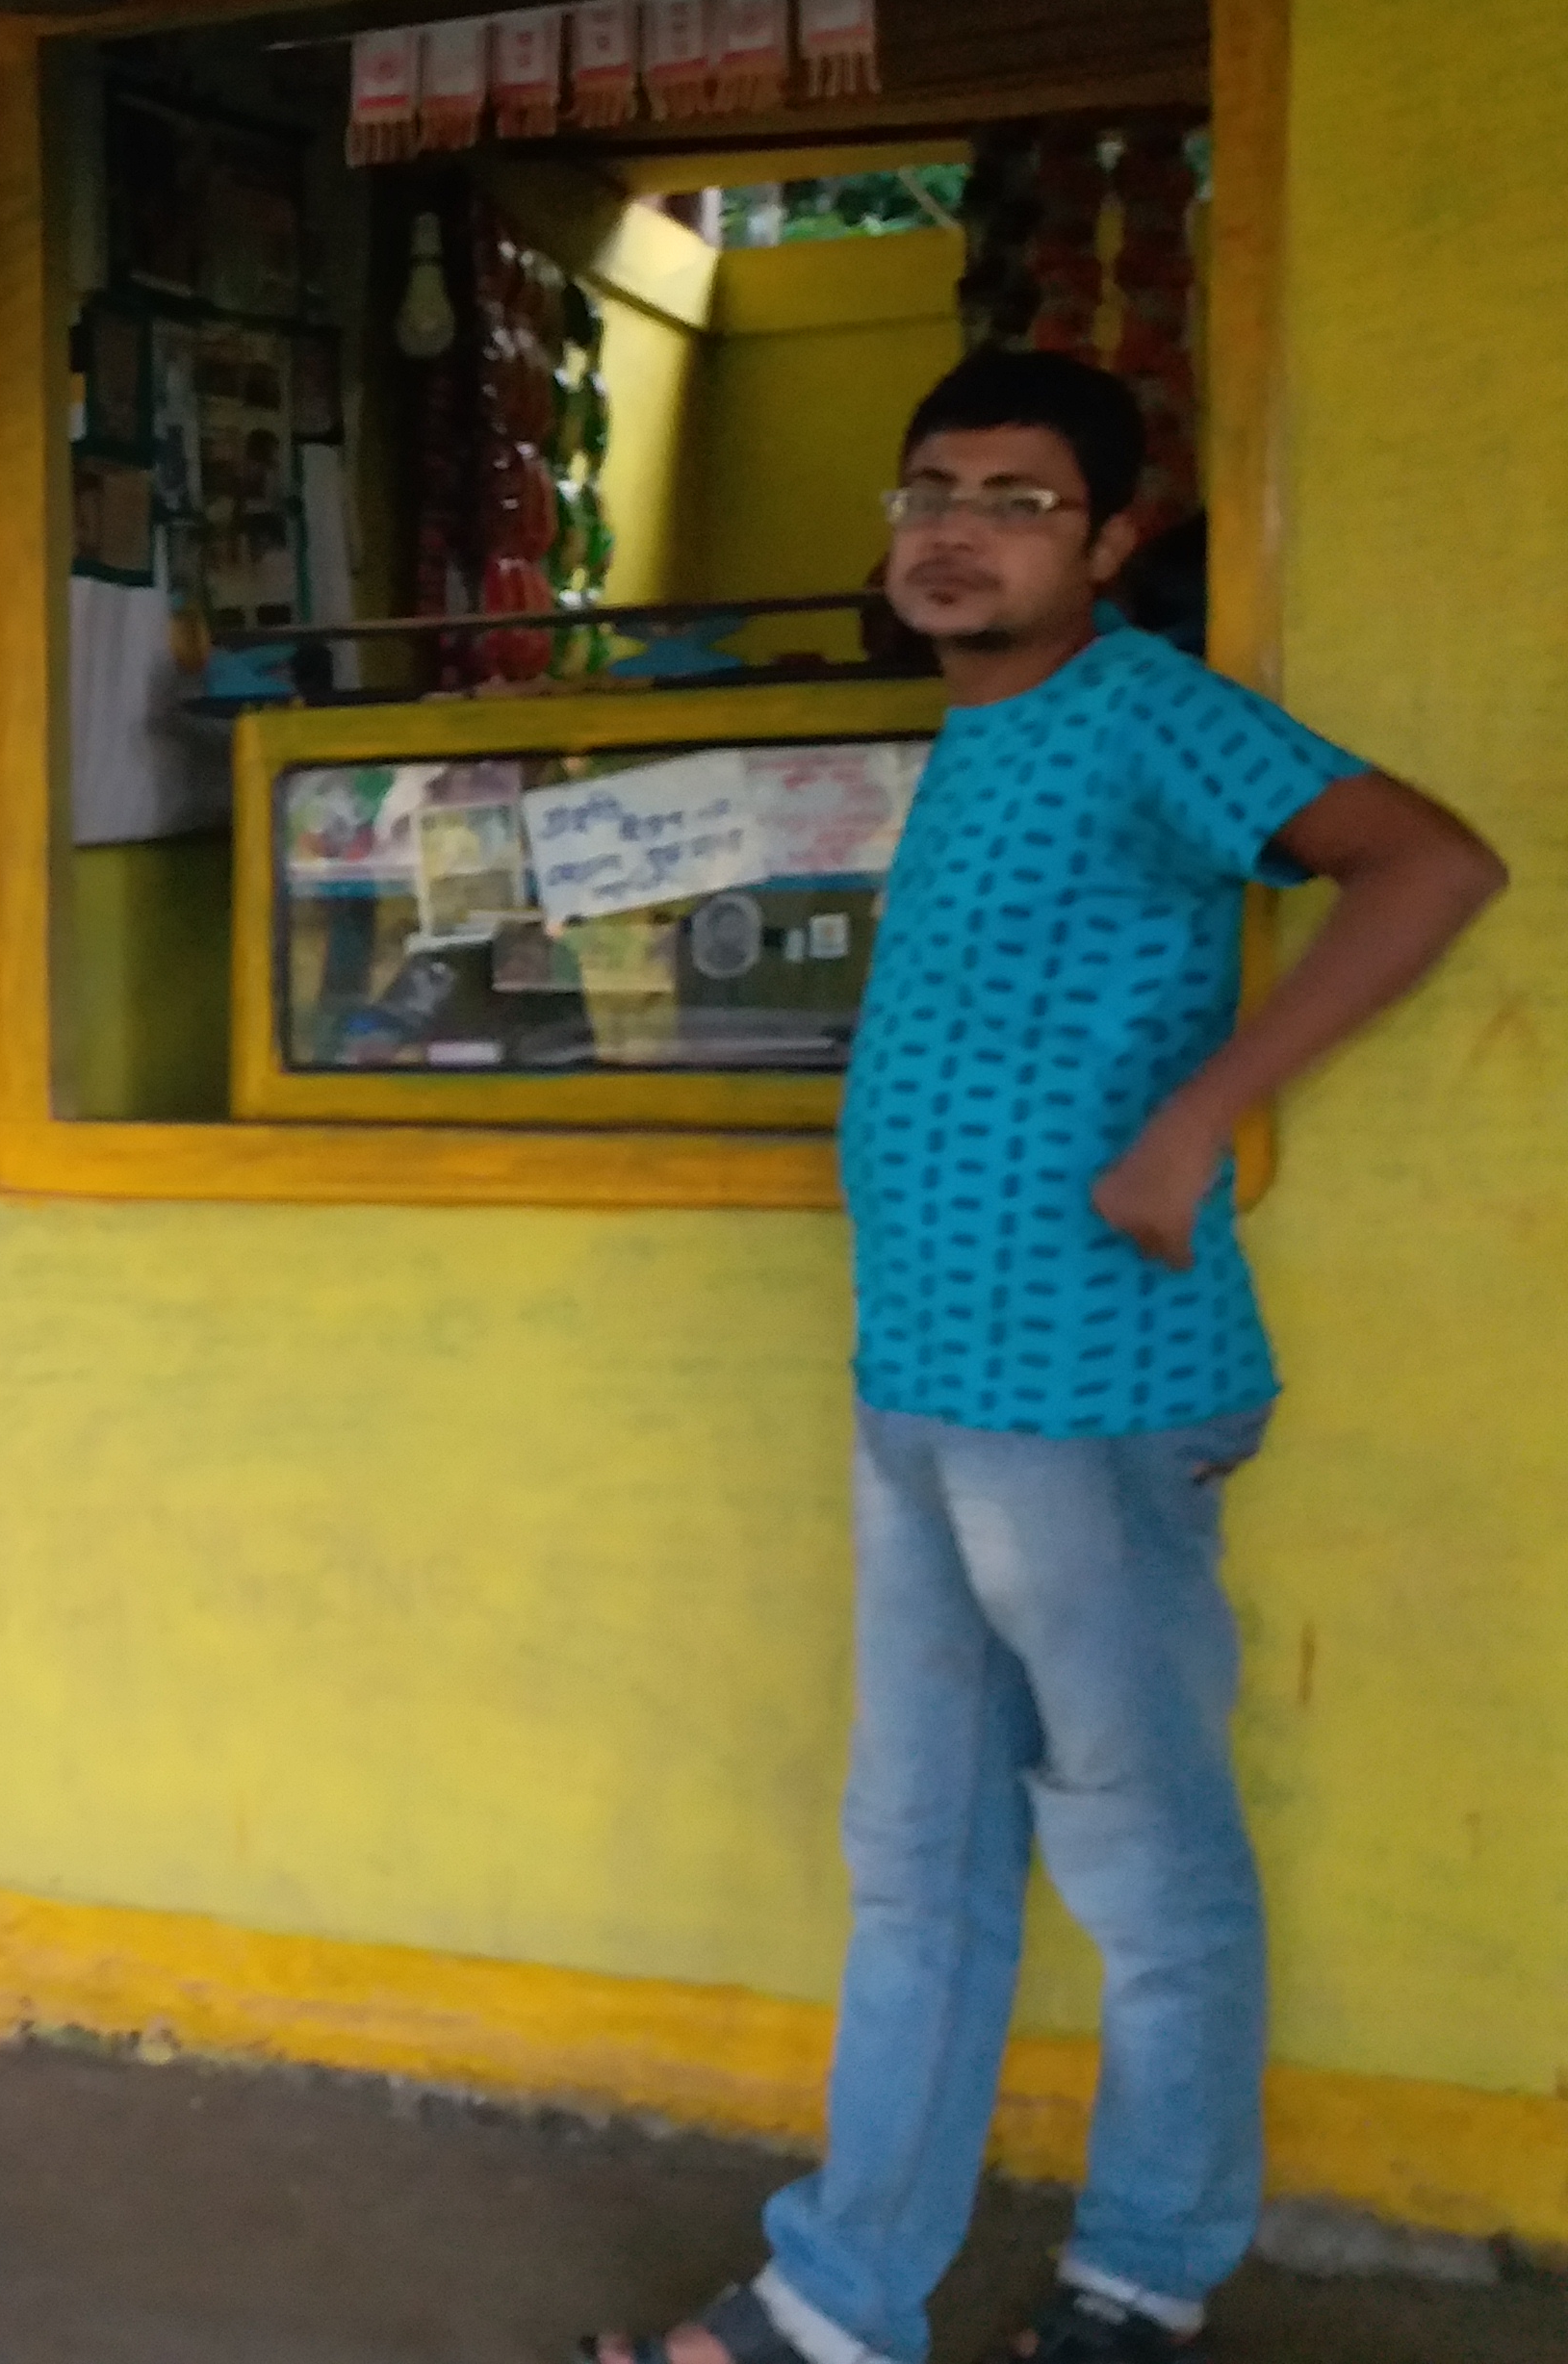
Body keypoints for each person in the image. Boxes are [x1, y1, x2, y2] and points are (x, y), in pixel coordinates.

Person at [584, 351, 1507, 2364]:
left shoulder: (1142, 711)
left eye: (1014, 498)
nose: (955, 527)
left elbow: (1431, 862)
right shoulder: (973, 736)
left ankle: (1144, 2282)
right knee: (917, 1863)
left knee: (1147, 1864)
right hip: (923, 1382)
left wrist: (1205, 1118)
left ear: (1103, 545)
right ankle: (842, 2295)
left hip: (1089, 1392)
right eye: (932, 486)